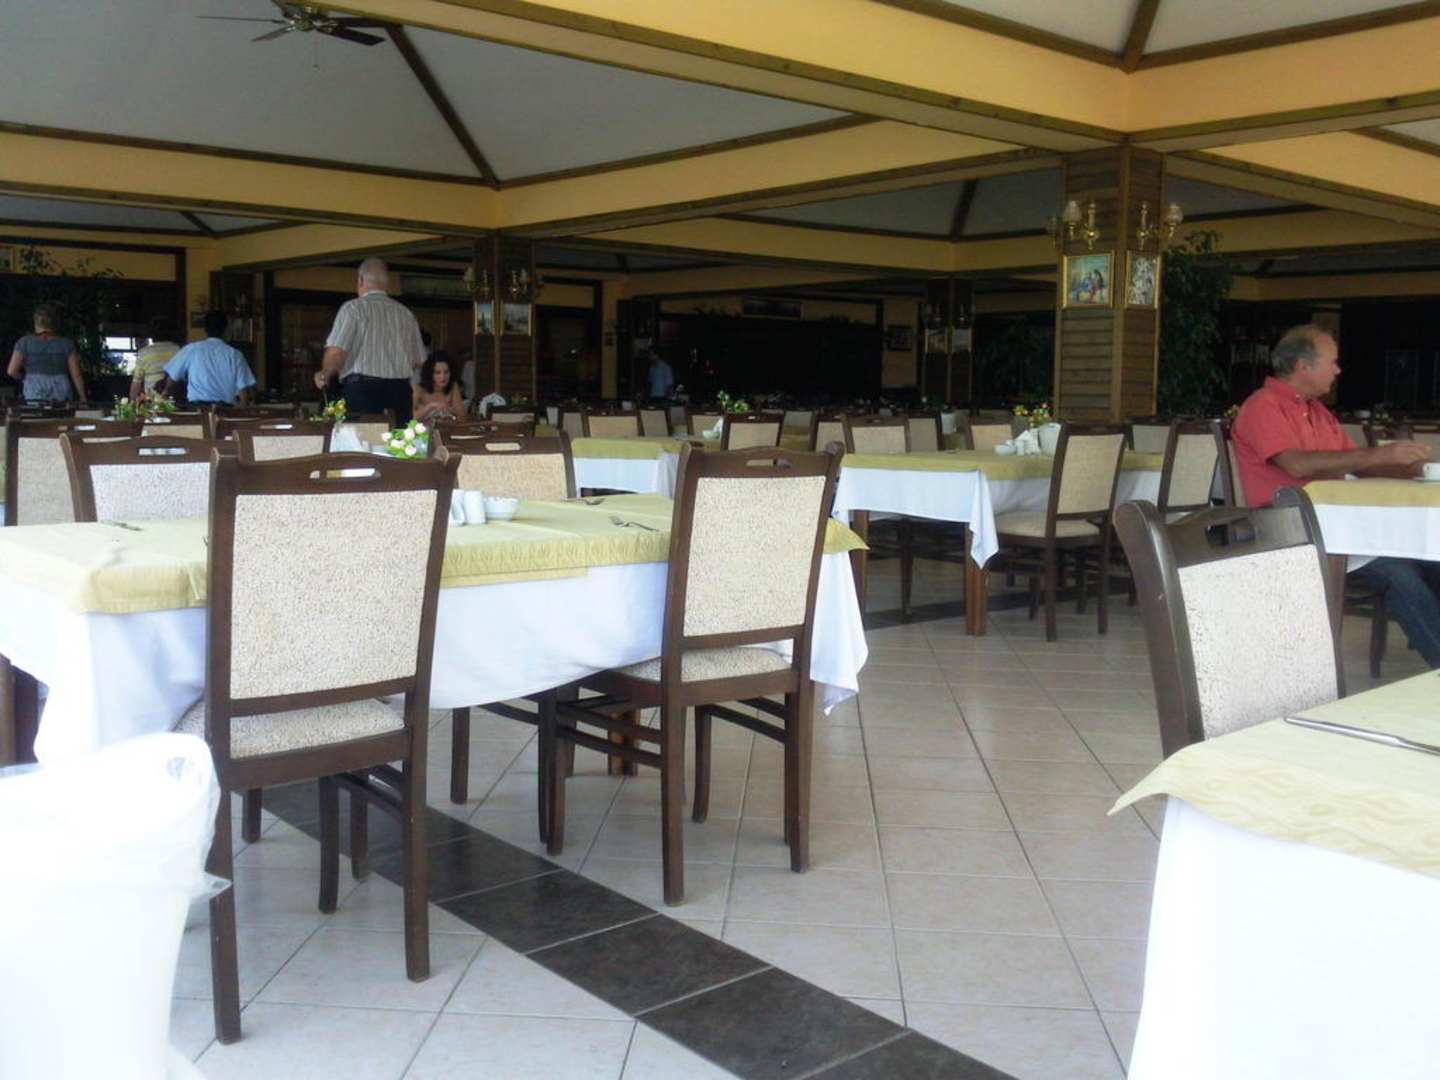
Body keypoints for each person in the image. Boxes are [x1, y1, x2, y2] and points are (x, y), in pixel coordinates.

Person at [1232, 323, 1440, 666]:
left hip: (1340, 528)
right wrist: (1376, 454)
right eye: (1333, 361)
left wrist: (1415, 468)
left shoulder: (1316, 411)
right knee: (1398, 576)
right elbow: (1296, 464)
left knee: (1432, 556)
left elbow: (1359, 464)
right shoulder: (1263, 406)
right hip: (1291, 531)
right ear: (1303, 366)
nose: (1339, 370)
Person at [314, 257, 424, 425]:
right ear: (386, 283)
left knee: (363, 441)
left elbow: (337, 353)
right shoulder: (406, 314)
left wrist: (325, 374)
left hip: (362, 391)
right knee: (399, 440)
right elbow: (418, 360)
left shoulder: (353, 309)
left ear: (360, 280)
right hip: (400, 392)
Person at [156, 311, 256, 407]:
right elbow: (244, 393)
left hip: (197, 411)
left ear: (205, 329)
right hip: (226, 411)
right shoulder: (235, 355)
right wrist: (243, 411)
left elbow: (173, 377)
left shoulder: (191, 349)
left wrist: (165, 393)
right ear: (226, 329)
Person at [7, 304, 87, 404]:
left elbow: (11, 371)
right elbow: (76, 375)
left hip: (34, 391)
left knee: (36, 414)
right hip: (61, 392)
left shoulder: (24, 342)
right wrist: (83, 397)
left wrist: (24, 378)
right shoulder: (67, 344)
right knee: (61, 413)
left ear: (36, 322)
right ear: (56, 323)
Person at [130, 316, 180, 400]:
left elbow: (136, 384)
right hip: (175, 402)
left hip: (152, 403)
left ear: (151, 334)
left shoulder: (144, 353)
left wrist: (131, 402)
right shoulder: (178, 350)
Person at [412, 354, 464, 423]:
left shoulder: (453, 386)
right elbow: (407, 418)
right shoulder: (418, 389)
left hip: (446, 428)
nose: (443, 377)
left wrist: (449, 412)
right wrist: (430, 407)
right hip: (420, 429)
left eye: (446, 372)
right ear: (430, 374)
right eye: (437, 373)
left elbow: (462, 417)